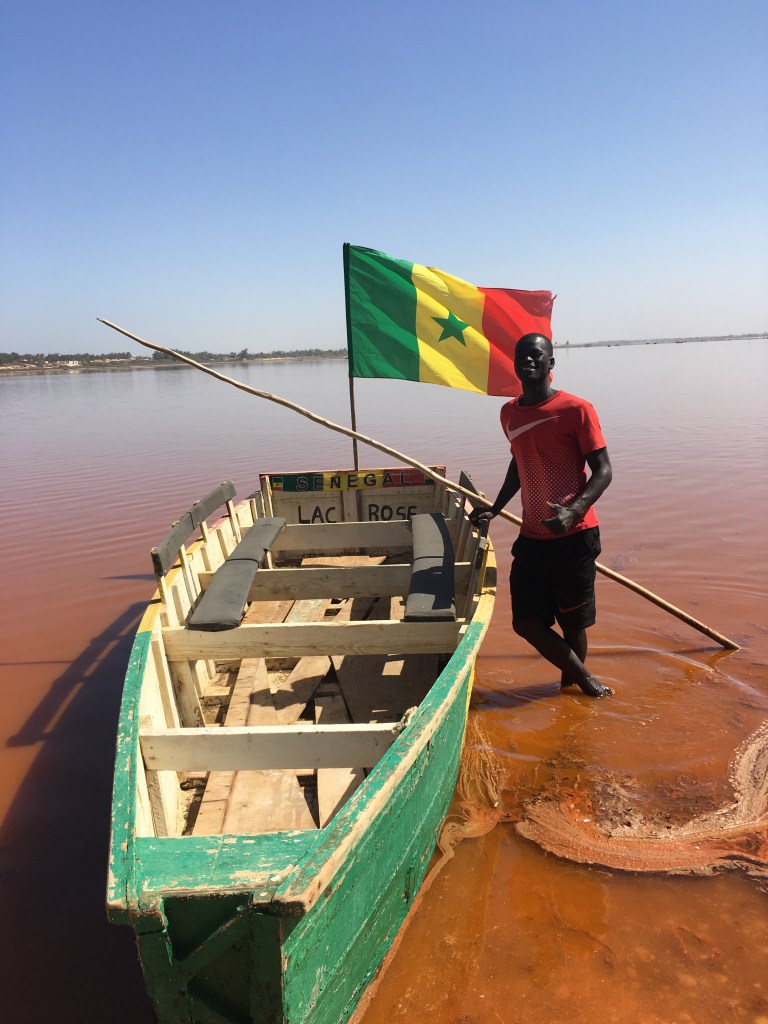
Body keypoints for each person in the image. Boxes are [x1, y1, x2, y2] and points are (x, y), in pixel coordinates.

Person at [471, 333, 614, 698]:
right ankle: (586, 681)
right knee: (526, 622)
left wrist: (574, 510)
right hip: (533, 538)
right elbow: (519, 462)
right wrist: (495, 508)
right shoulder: (508, 413)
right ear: (515, 364)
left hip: (575, 537)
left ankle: (570, 694)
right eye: (522, 356)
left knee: (572, 622)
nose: (529, 361)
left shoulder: (576, 409)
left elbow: (603, 470)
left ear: (551, 364)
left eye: (537, 356)